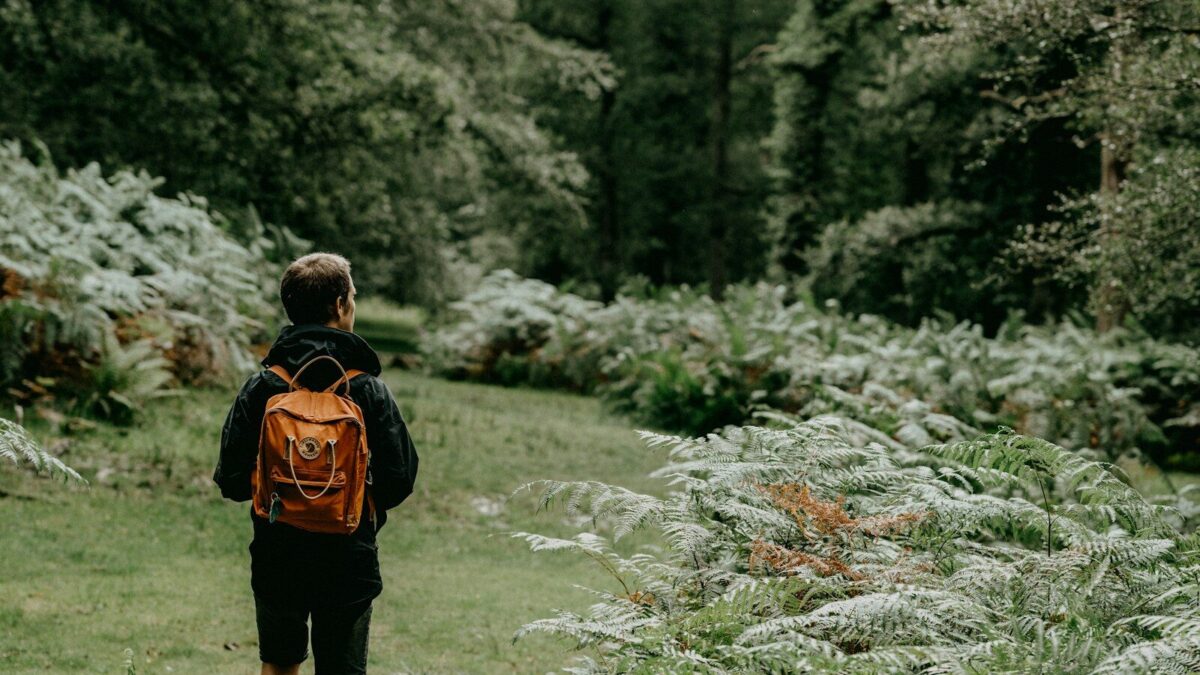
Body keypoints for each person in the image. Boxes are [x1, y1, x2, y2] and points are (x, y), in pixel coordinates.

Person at [214, 252, 419, 675]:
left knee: (280, 665)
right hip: (349, 558)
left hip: (277, 554)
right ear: (341, 304)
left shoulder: (264, 384)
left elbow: (231, 480)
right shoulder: (368, 389)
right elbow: (400, 478)